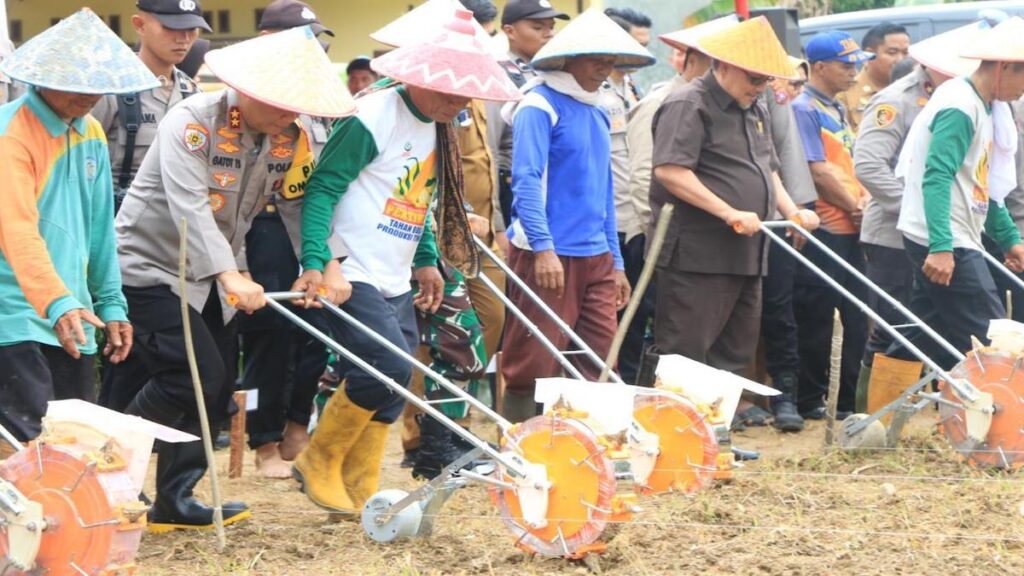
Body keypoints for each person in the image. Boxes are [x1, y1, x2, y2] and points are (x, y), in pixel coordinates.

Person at [109, 26, 356, 531]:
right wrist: (230, 274)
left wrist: (323, 263)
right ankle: (109, 474)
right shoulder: (192, 122)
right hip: (150, 267)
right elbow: (190, 209)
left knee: (214, 388)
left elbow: (295, 204)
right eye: (282, 105)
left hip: (216, 275)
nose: (291, 115)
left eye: (299, 106)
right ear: (249, 90)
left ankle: (175, 498)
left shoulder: (291, 136)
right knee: (192, 375)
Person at [293, 9, 520, 515]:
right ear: (418, 76)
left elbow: (419, 196)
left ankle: (358, 483)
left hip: (395, 268)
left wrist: (426, 261)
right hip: (350, 267)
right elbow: (323, 188)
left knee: (394, 385)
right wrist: (319, 260)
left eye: (467, 92)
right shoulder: (372, 115)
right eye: (449, 90)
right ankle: (319, 460)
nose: (459, 101)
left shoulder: (438, 125)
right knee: (387, 366)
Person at [649, 18, 818, 409]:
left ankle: (716, 436)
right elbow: (671, 170)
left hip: (748, 251)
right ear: (722, 65)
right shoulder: (688, 103)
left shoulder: (755, 105)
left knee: (735, 350)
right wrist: (727, 212)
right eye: (753, 78)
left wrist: (792, 210)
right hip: (698, 254)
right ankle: (675, 439)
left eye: (765, 81)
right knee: (686, 353)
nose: (759, 87)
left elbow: (766, 168)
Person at [0, 9, 147, 442]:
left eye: (97, 83)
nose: (89, 94)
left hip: (75, 313)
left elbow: (100, 230)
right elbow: (16, 230)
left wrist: (112, 304)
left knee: (75, 442)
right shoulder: (11, 135)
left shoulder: (93, 132)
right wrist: (56, 301)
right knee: (30, 445)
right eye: (77, 83)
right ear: (44, 78)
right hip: (15, 312)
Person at [498, 9, 652, 421]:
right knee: (534, 355)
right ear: (568, 59)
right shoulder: (538, 104)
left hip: (596, 254)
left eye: (611, 59)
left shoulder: (599, 108)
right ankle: (517, 446)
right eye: (596, 58)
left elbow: (604, 191)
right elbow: (526, 180)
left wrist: (616, 261)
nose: (605, 67)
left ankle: (592, 445)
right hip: (547, 252)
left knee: (601, 355)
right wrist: (544, 248)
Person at [853, 22, 991, 401]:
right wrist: (918, 211)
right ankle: (868, 408)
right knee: (894, 325)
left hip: (936, 227)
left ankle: (887, 415)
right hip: (895, 232)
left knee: (921, 325)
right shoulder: (895, 100)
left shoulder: (967, 98)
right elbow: (868, 166)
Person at [235, 0, 339, 479]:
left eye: (317, 40)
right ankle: (264, 440)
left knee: (315, 323)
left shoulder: (320, 97)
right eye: (303, 39)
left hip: (309, 222)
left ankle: (299, 422)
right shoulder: (249, 93)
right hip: (263, 223)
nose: (313, 49)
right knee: (270, 332)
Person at [889, 17, 1024, 366]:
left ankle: (875, 413)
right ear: (1005, 67)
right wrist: (941, 246)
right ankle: (1004, 419)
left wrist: (1009, 240)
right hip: (945, 237)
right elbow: (937, 177)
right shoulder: (960, 105)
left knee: (917, 332)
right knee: (993, 335)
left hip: (956, 232)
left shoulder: (985, 106)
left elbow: (982, 185)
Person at [627, 15, 740, 387]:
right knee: (666, 330)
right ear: (693, 59)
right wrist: (652, 236)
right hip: (661, 236)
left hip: (705, 240)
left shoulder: (727, 109)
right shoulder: (666, 101)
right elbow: (646, 172)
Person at [791, 30, 874, 420]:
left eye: (856, 63)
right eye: (846, 65)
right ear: (819, 67)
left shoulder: (837, 107)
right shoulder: (803, 108)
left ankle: (845, 401)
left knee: (858, 317)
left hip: (853, 226)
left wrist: (862, 206)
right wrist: (854, 206)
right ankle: (811, 399)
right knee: (817, 320)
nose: (854, 72)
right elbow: (818, 172)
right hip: (825, 229)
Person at [90, 0, 211, 213]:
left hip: (175, 223)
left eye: (191, 29)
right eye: (171, 27)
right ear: (139, 25)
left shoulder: (193, 95)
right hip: (116, 223)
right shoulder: (110, 88)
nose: (183, 39)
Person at [759, 54, 819, 432]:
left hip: (781, 213)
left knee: (782, 307)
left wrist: (796, 209)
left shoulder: (777, 100)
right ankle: (748, 398)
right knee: (744, 314)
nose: (790, 89)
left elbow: (783, 160)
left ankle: (787, 395)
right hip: (736, 219)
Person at [601, 6, 652, 384]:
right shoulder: (598, 92)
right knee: (612, 312)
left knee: (636, 309)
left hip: (631, 213)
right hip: (609, 218)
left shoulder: (628, 87)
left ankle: (631, 384)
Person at [489, 0, 568, 235]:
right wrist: (497, 224)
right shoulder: (499, 74)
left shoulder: (554, 72)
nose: (549, 34)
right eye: (537, 27)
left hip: (553, 189)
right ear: (509, 31)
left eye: (551, 26)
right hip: (516, 189)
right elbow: (489, 149)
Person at [837, 23, 910, 132]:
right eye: (892, 53)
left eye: (905, 53)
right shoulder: (846, 94)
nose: (900, 59)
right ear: (869, 55)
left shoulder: (915, 89)